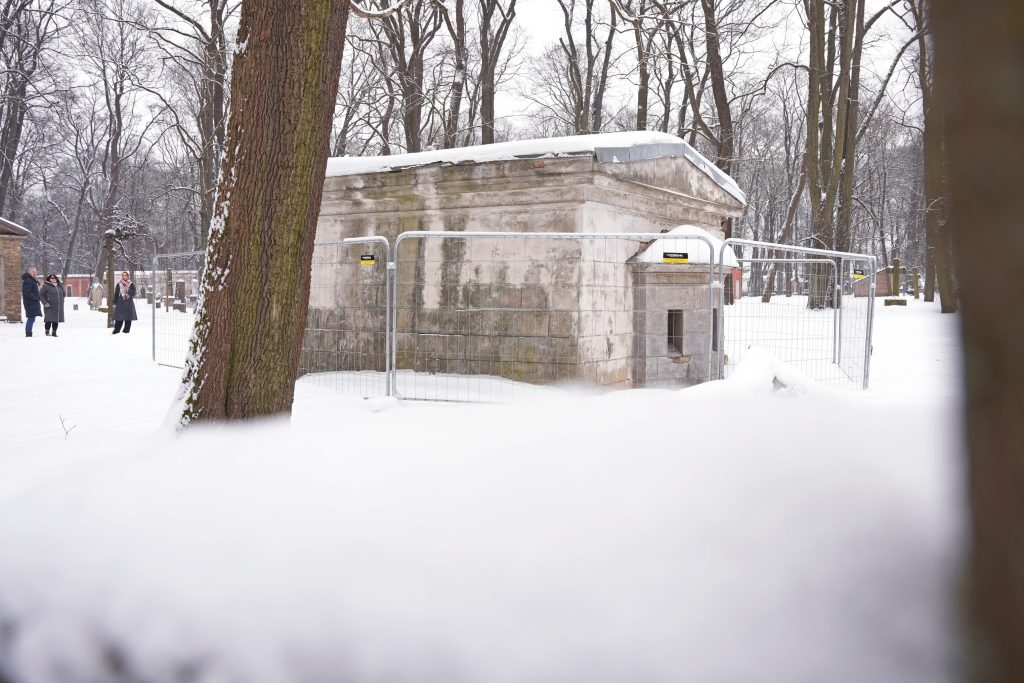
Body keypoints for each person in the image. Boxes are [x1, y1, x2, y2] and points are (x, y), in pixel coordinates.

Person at [21, 267, 41, 337]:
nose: (35, 273)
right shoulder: (28, 280)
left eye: (35, 271)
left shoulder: (31, 280)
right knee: (31, 318)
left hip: (32, 302)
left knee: (31, 318)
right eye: (33, 271)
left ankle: (28, 333)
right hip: (30, 303)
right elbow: (27, 292)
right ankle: (28, 333)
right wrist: (35, 298)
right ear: (29, 272)